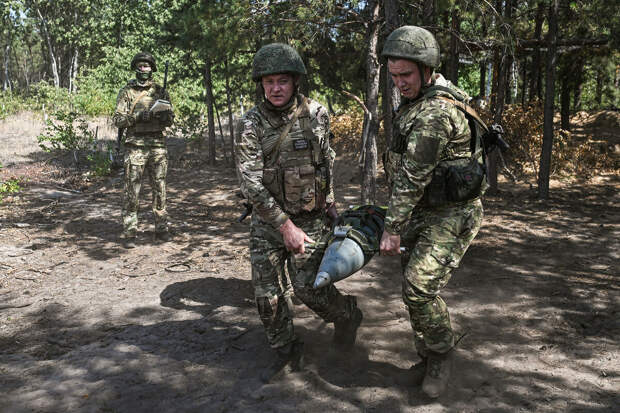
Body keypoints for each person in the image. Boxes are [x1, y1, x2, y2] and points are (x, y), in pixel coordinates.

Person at [234, 43, 363, 382]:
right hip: (268, 222)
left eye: (282, 81)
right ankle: (287, 349)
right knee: (268, 297)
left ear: (295, 82)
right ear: (261, 84)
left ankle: (348, 314)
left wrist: (331, 203)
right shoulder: (251, 123)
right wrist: (283, 225)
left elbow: (324, 164)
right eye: (268, 82)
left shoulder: (317, 114)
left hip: (311, 218)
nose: (275, 88)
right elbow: (250, 184)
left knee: (309, 290)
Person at [379, 26, 485, 398]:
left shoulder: (436, 112)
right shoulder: (419, 99)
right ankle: (425, 354)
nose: (400, 83)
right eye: (393, 76)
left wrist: (392, 228)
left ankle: (441, 353)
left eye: (406, 75)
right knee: (412, 288)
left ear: (426, 69)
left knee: (418, 289)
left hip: (450, 213)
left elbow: (413, 175)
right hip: (422, 210)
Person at [113, 52, 174, 248]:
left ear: (152, 68)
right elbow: (118, 120)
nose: (143, 69)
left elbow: (170, 119)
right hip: (135, 146)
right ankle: (130, 232)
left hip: (157, 146)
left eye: (146, 66)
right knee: (132, 191)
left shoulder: (161, 92)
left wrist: (162, 115)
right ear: (135, 68)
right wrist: (138, 116)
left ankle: (161, 229)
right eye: (140, 65)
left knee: (160, 189)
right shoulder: (127, 92)